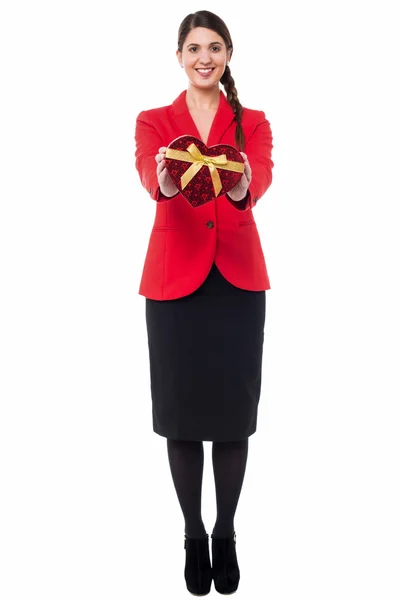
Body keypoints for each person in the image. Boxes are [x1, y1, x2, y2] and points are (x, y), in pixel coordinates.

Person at [134, 10, 274, 596]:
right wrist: (166, 181)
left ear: (228, 54)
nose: (204, 58)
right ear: (179, 55)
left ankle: (226, 531)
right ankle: (193, 533)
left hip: (238, 284)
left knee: (232, 418)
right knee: (183, 417)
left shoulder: (254, 122)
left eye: (215, 47)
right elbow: (149, 176)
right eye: (194, 48)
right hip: (173, 285)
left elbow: (258, 181)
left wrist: (240, 182)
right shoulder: (153, 120)